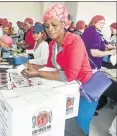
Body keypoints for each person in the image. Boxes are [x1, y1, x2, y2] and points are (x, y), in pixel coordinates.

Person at [22, 4, 96, 135]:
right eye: (46, 26)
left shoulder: (75, 41)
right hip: (68, 89)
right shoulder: (52, 44)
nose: (49, 29)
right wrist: (34, 67)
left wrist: (38, 73)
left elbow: (69, 76)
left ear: (64, 23)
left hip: (85, 91)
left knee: (79, 127)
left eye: (54, 25)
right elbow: (51, 68)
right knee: (64, 123)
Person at [82, 15, 116, 116]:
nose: (102, 25)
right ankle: (87, 111)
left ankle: (87, 109)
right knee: (90, 89)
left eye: (103, 23)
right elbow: (94, 52)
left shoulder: (94, 31)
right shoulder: (93, 33)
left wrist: (113, 47)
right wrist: (110, 52)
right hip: (91, 66)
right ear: (94, 22)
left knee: (87, 88)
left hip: (88, 65)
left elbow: (104, 44)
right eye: (100, 22)